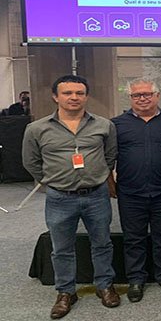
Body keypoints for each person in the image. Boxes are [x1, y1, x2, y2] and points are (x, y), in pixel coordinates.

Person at [21, 75, 120, 319]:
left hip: (96, 195)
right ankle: (65, 292)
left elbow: (110, 156)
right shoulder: (37, 129)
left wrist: (99, 174)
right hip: (59, 198)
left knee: (102, 243)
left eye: (79, 93)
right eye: (67, 93)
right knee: (61, 248)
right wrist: (52, 180)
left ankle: (104, 285)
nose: (74, 97)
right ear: (55, 96)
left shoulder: (104, 125)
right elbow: (31, 162)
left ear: (86, 96)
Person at [109, 79, 161, 303]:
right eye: (137, 95)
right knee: (133, 238)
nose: (142, 98)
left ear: (157, 96)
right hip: (130, 192)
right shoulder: (116, 124)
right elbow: (108, 156)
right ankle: (136, 279)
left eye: (147, 94)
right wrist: (109, 182)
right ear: (130, 98)